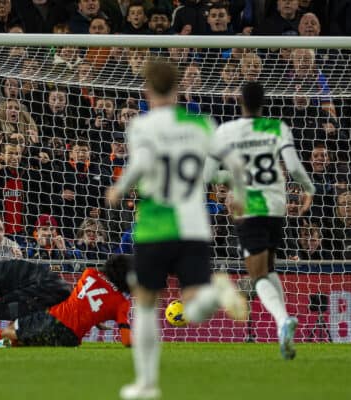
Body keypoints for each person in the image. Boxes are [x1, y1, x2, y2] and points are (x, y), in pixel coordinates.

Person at [106, 59, 248, 400]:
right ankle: (217, 292)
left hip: (155, 225)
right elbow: (234, 164)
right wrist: (239, 196)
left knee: (145, 303)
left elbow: (140, 163)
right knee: (195, 305)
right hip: (195, 226)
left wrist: (120, 187)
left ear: (147, 89)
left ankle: (146, 384)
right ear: (178, 88)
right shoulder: (200, 123)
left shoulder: (141, 125)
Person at [204, 81, 316, 360]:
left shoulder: (226, 131)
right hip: (277, 205)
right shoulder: (278, 127)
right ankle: (283, 323)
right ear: (264, 102)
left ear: (239, 101)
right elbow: (292, 167)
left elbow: (207, 176)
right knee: (268, 267)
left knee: (257, 275)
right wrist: (309, 189)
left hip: (248, 207)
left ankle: (282, 321)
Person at [0, 253, 132, 348]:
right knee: (19, 339)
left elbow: (80, 299)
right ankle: (0, 346)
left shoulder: (89, 274)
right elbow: (126, 341)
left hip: (53, 320)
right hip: (71, 341)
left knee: (11, 329)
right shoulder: (122, 304)